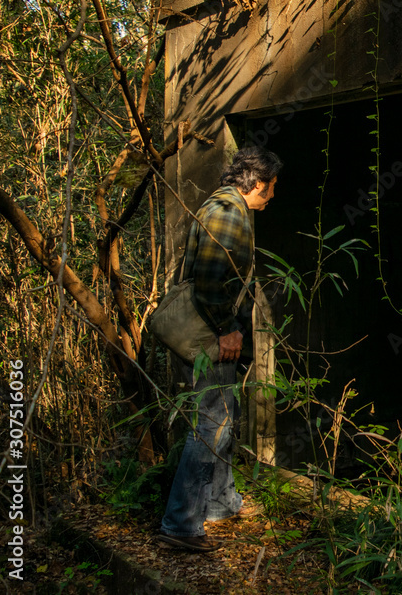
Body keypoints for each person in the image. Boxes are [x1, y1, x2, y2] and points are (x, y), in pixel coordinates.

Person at [156, 146, 282, 553]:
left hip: (216, 336)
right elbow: (212, 278)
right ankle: (180, 524)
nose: (272, 197)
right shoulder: (228, 211)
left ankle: (221, 503)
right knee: (211, 426)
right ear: (258, 183)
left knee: (225, 415)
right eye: (272, 189)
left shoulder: (226, 205)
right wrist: (228, 331)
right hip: (213, 338)